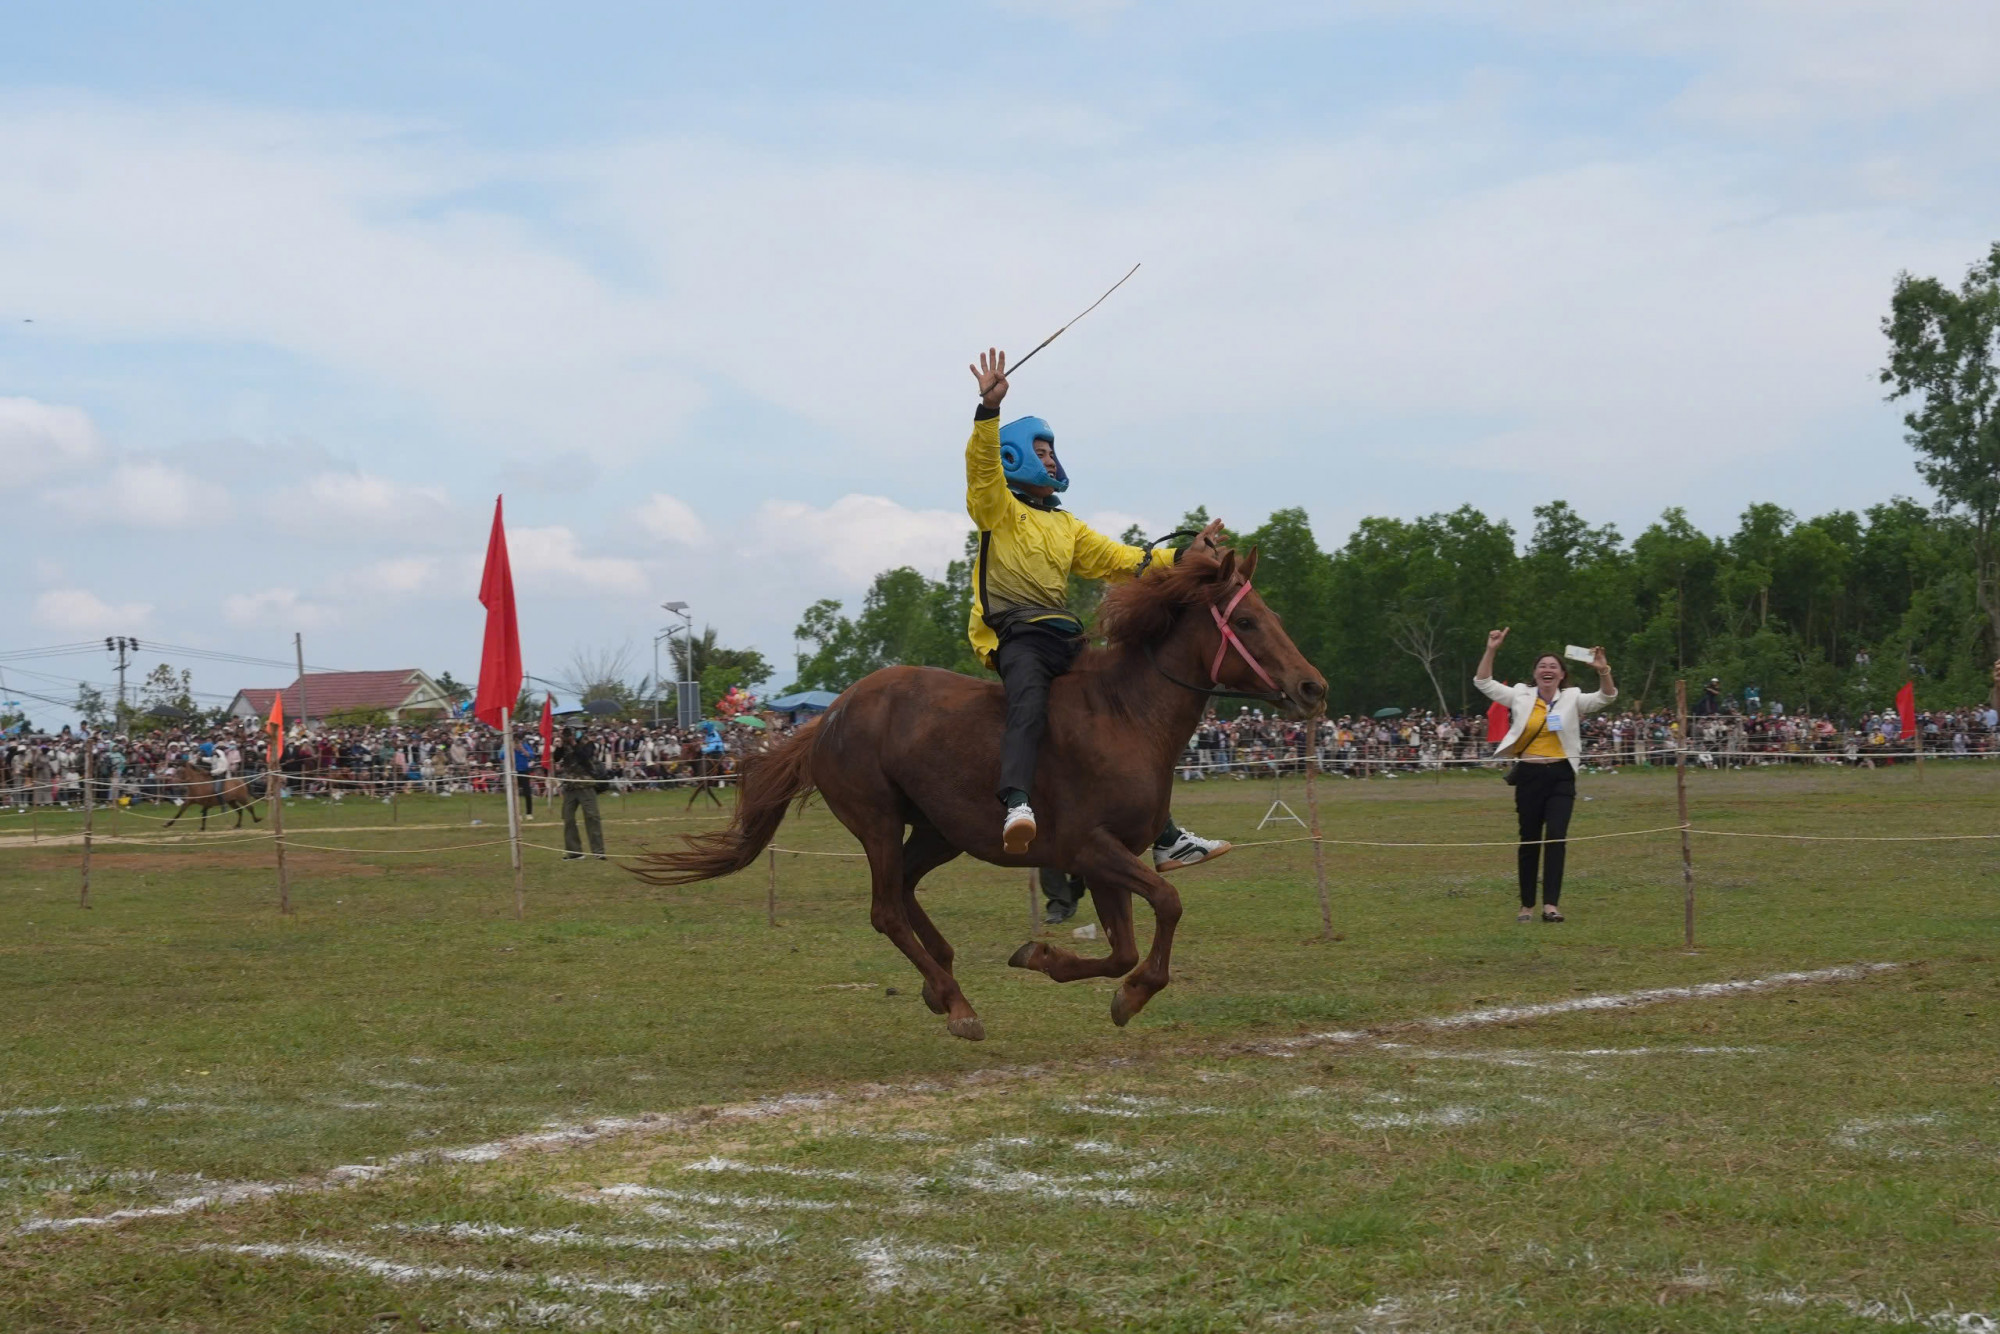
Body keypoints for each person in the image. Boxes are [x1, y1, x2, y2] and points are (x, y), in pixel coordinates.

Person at [964, 347, 1229, 872]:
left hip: (1064, 638)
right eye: (1040, 451)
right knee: (1028, 705)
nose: (1050, 459)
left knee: (1121, 715)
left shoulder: (1067, 525)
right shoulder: (998, 507)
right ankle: (1016, 802)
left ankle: (1166, 837)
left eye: (1051, 451)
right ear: (1014, 457)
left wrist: (1184, 557)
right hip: (1015, 637)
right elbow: (981, 472)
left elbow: (1121, 560)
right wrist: (988, 412)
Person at [1475, 629, 1617, 923]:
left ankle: (1551, 905)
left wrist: (1603, 670)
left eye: (1553, 666)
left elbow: (1606, 697)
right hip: (1529, 775)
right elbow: (1483, 682)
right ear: (1535, 673)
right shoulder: (1520, 694)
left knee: (1556, 836)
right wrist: (1491, 649)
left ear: (1562, 674)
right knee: (1529, 839)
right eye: (1542, 666)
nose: (1547, 670)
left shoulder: (1572, 697)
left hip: (1561, 775)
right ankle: (1526, 906)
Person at [554, 721, 606, 860]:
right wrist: (560, 745)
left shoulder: (588, 743)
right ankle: (574, 851)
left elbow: (584, 757)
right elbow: (556, 758)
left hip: (585, 785)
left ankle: (598, 851)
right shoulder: (564, 744)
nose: (571, 733)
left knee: (592, 817)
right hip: (570, 786)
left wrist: (573, 743)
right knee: (568, 818)